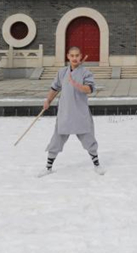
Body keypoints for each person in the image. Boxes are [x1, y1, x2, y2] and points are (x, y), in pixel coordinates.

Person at [40, 47, 105, 177]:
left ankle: (97, 165)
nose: (75, 58)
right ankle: (48, 167)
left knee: (88, 139)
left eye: (77, 56)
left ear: (81, 56)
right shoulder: (62, 72)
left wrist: (77, 85)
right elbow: (54, 88)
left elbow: (90, 89)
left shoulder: (86, 73)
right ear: (68, 56)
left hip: (80, 112)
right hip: (65, 112)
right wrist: (48, 101)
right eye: (72, 56)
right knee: (56, 140)